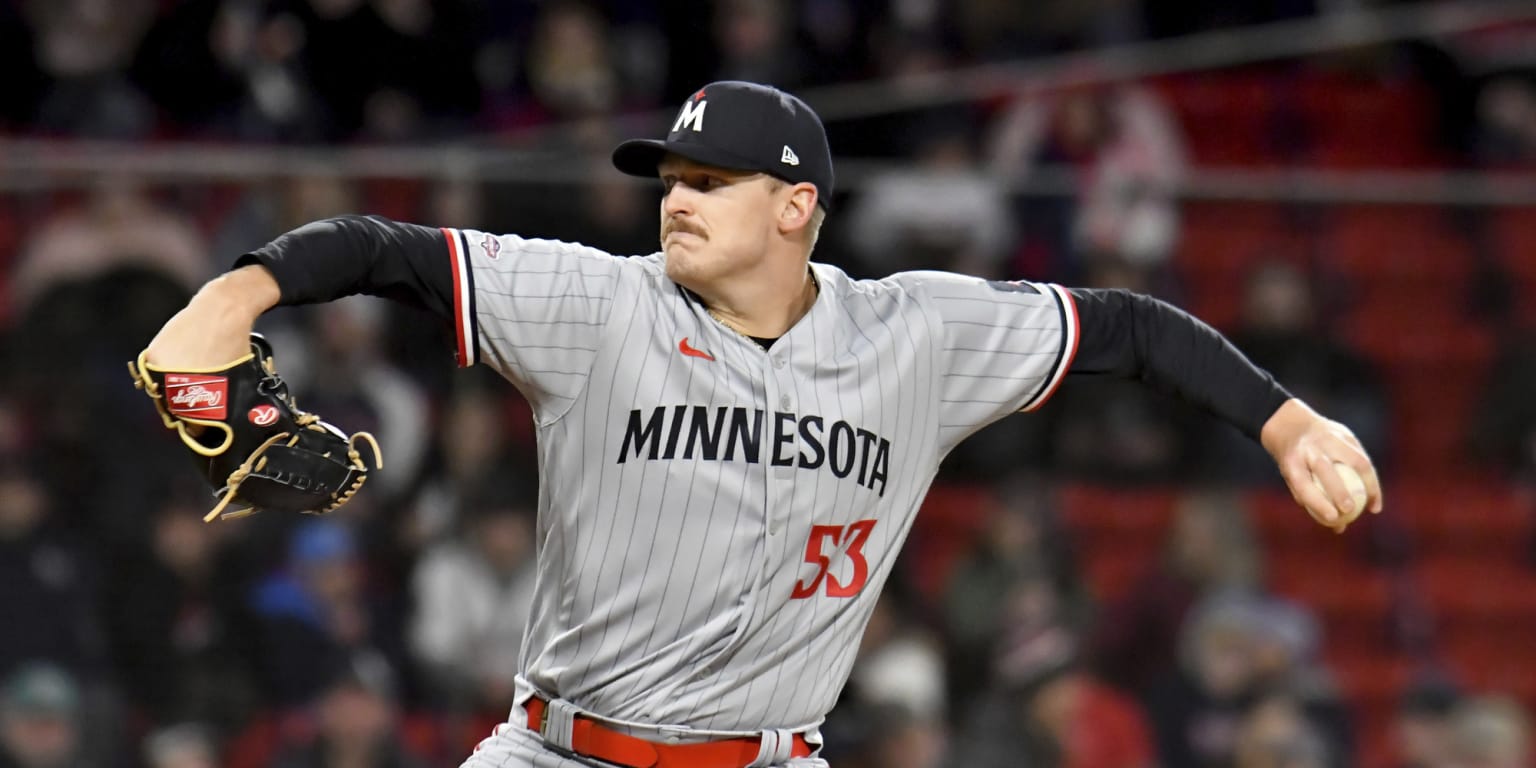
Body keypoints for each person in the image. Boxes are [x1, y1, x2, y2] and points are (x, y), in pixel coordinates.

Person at [142, 80, 1383, 768]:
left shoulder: (915, 336)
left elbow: (1129, 326)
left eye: (707, 185)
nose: (674, 203)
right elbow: (384, 249)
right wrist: (231, 292)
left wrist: (1283, 422)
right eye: (669, 182)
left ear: (796, 206)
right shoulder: (599, 303)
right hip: (562, 755)